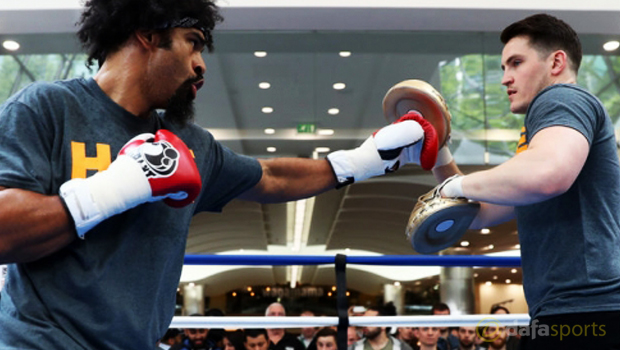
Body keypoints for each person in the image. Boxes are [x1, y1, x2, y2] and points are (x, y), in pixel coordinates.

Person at [0, 0, 436, 349]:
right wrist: (116, 187)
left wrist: (365, 159)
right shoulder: (47, 108)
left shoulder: (190, 143)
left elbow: (270, 177)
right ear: (149, 34)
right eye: (192, 42)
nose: (201, 65)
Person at [432, 13, 620, 349]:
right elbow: (480, 213)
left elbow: (549, 175)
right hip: (567, 313)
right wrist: (437, 154)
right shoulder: (539, 141)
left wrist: (454, 187)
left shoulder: (563, 98)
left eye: (516, 63)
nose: (505, 78)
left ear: (557, 62)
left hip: (590, 313)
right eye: (504, 67)